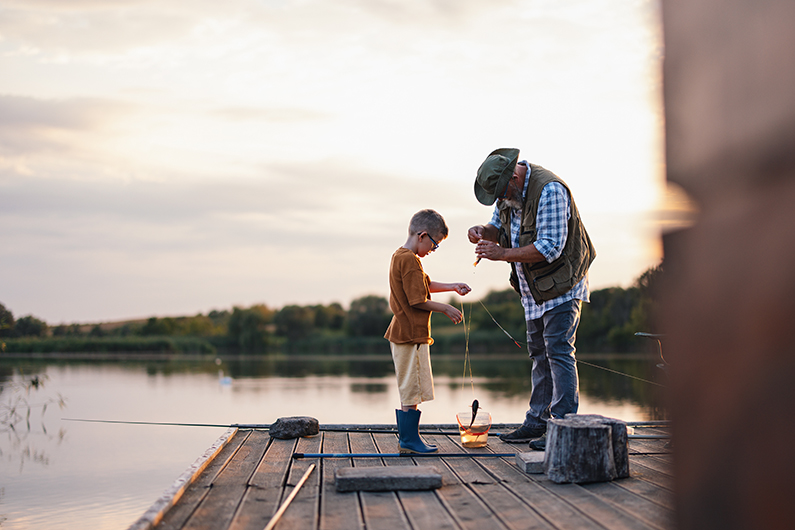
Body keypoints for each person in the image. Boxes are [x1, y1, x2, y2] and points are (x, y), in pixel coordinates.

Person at [468, 148, 595, 450]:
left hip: (562, 288)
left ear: (513, 177)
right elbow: (497, 228)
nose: (499, 199)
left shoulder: (549, 190)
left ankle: (562, 426)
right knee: (539, 354)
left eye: (500, 192)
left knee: (558, 351)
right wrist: (481, 231)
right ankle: (537, 421)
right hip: (532, 292)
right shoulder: (507, 194)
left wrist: (502, 255)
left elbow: (550, 247)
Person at [385, 209, 472, 453]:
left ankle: (410, 439)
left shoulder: (402, 256)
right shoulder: (410, 259)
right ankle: (409, 441)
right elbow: (417, 300)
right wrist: (445, 308)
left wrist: (452, 286)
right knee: (410, 390)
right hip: (409, 334)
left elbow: (425, 285)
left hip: (408, 334)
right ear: (422, 235)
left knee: (411, 389)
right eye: (434, 245)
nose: (432, 250)